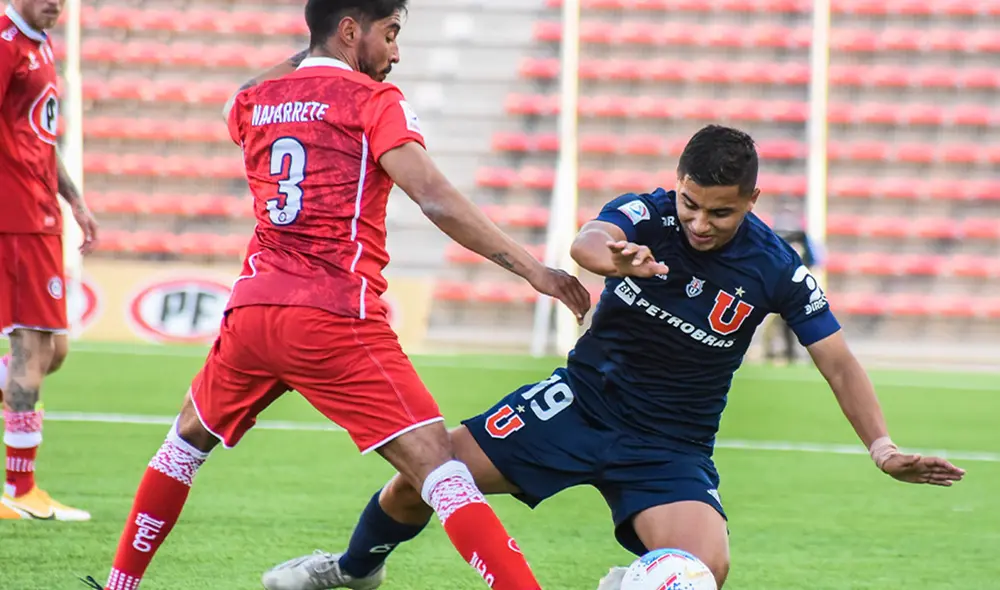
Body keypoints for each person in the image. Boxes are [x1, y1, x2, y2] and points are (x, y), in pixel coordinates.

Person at [260, 125, 966, 590]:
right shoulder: (648, 214)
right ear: (677, 184)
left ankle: (636, 580)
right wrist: (617, 261)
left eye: (720, 212)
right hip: (579, 404)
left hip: (670, 446)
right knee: (429, 472)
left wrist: (881, 447)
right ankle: (353, 573)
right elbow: (587, 243)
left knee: (701, 572)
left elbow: (837, 359)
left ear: (752, 200)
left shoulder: (777, 267)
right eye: (691, 203)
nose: (699, 222)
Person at [82, 1, 591, 589]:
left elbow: (235, 97)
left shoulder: (257, 101)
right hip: (333, 315)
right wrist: (534, 271)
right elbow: (436, 199)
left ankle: (120, 585)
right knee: (440, 471)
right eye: (391, 34)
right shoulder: (374, 103)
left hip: (251, 311)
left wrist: (312, 55)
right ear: (350, 29)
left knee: (183, 445)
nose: (396, 52)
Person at [0, 0, 99, 522]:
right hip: (14, 218)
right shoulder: (5, 42)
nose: (55, 3)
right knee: (29, 350)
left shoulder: (39, 44)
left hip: (42, 217)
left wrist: (75, 201)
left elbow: (41, 137)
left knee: (54, 351)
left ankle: (21, 489)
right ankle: (20, 490)